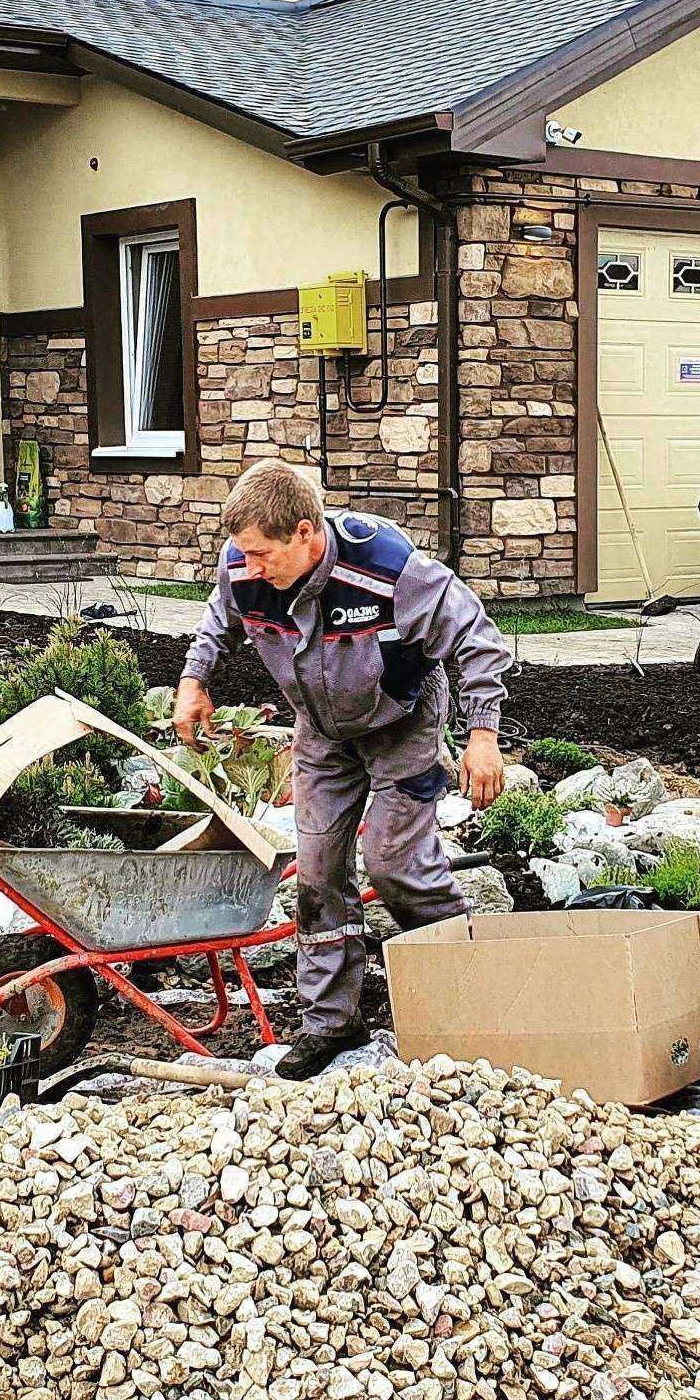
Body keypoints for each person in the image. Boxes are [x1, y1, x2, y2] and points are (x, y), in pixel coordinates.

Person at [176, 461, 512, 1079]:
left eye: (261, 555)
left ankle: (470, 990)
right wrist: (194, 680)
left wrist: (483, 736)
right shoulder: (244, 567)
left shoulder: (389, 572)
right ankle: (333, 1021)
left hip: (401, 728)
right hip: (323, 734)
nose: (248, 569)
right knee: (318, 874)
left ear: (306, 533)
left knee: (393, 863)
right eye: (241, 554)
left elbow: (478, 640)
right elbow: (217, 620)